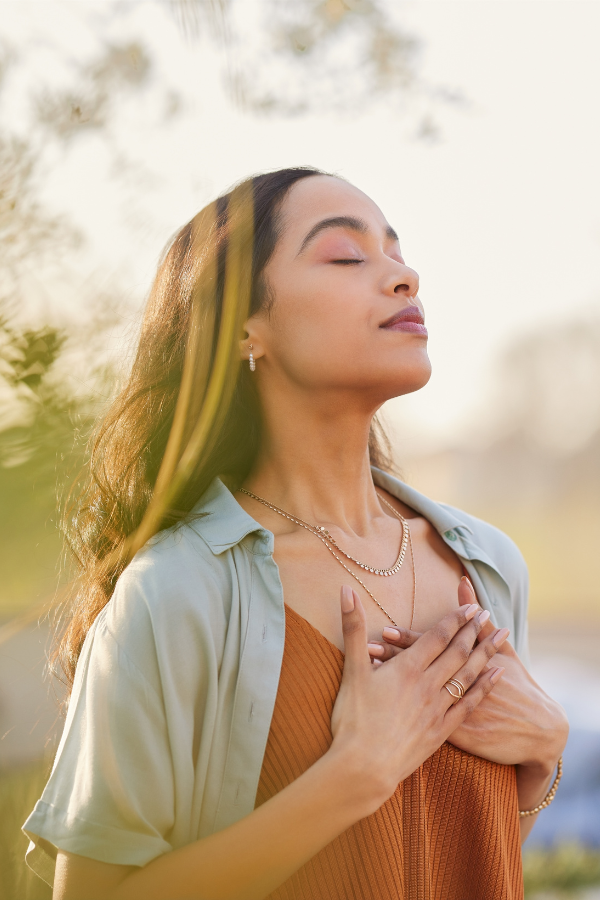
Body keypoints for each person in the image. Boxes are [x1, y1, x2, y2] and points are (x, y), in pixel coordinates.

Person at [23, 167, 568, 900]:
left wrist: (543, 756)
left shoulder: (489, 564)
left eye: (397, 252)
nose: (404, 276)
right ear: (246, 327)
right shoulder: (176, 592)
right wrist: (354, 775)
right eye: (347, 256)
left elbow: (461, 852)